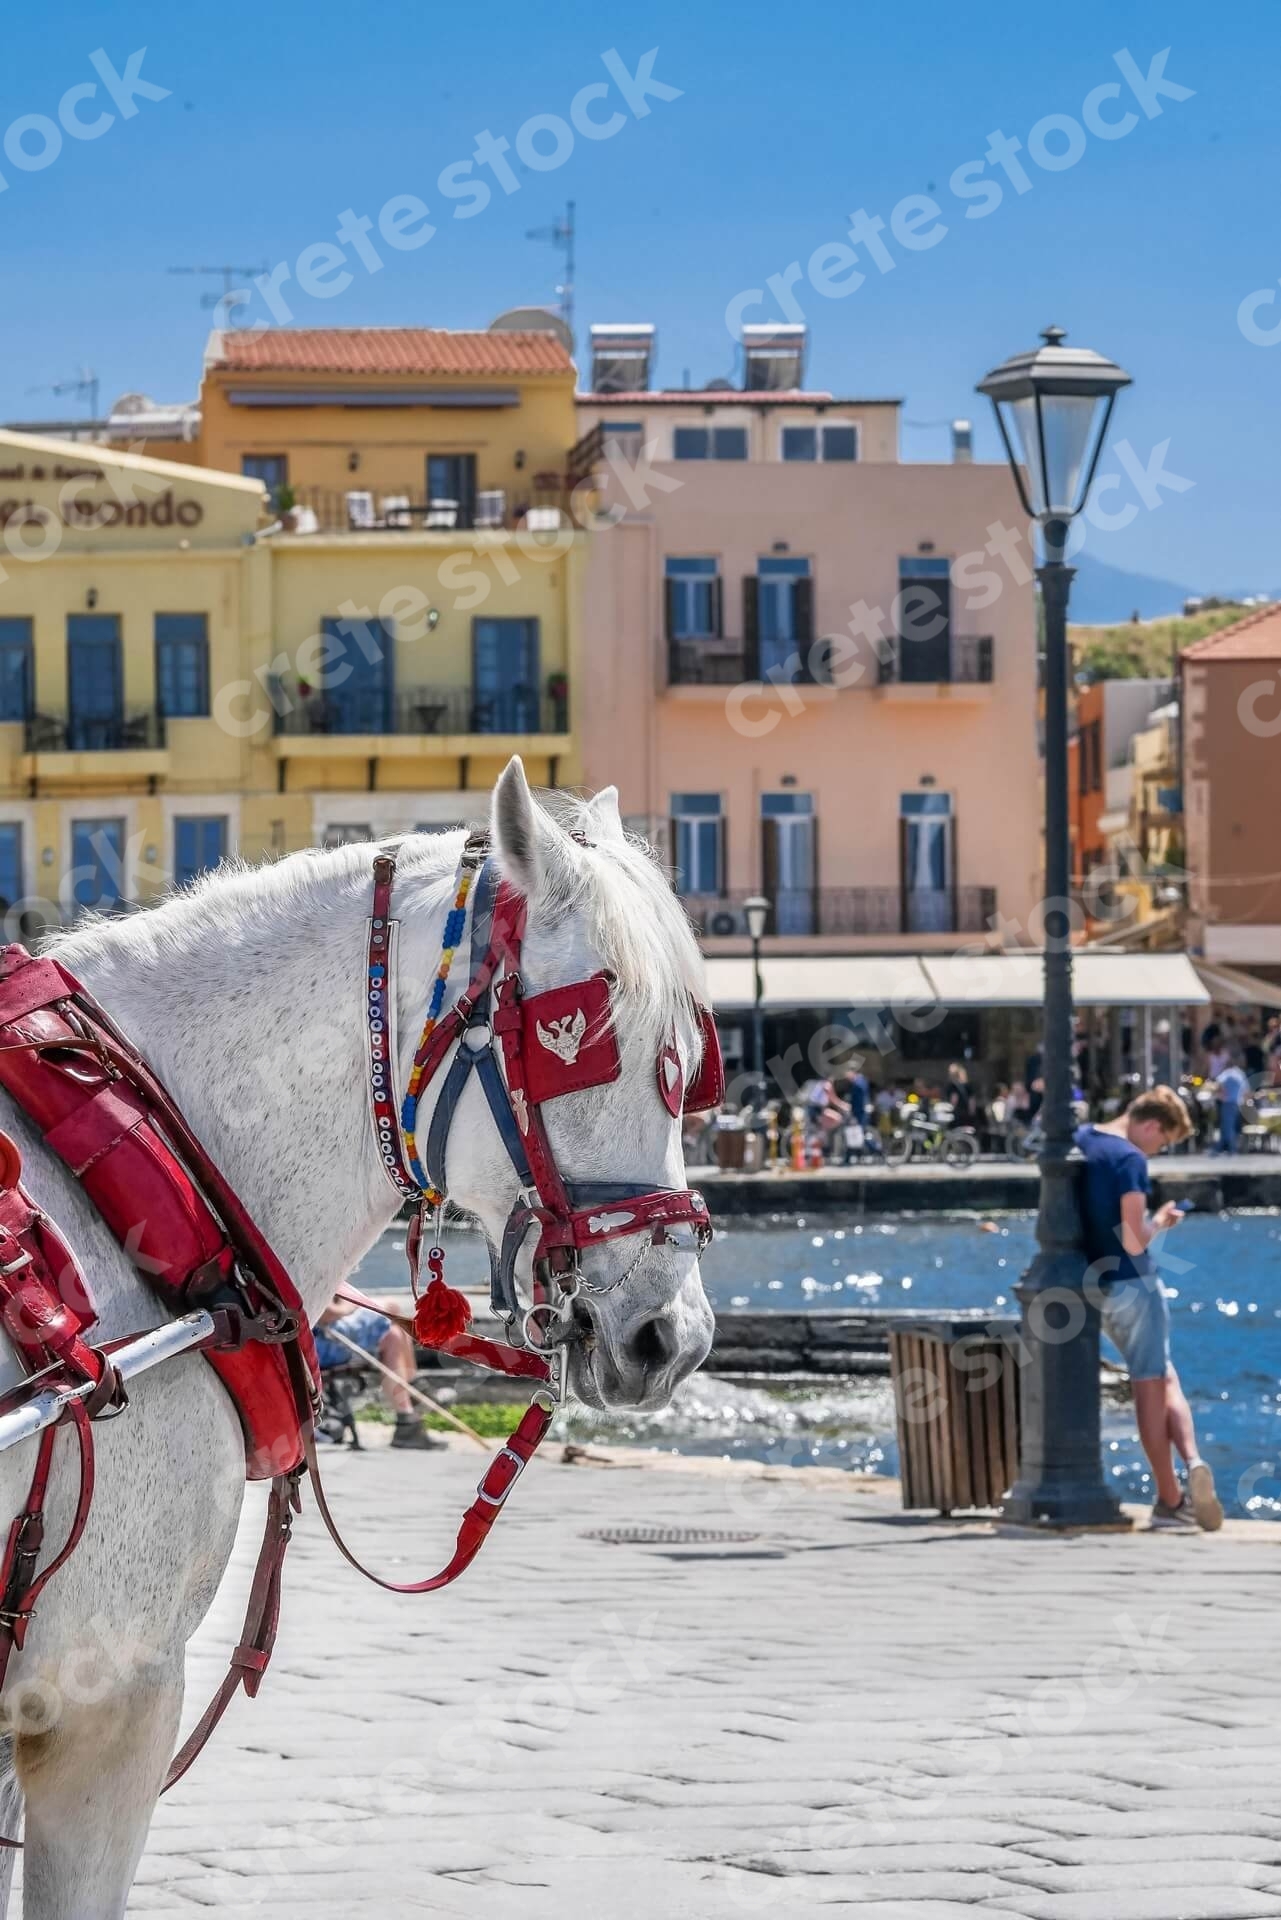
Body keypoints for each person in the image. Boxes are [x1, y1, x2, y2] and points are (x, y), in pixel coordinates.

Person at [1075, 1086, 1223, 1531]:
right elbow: (1133, 1239)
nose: (1157, 1150)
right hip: (1133, 1284)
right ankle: (1171, 1495)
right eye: (1163, 1142)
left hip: (1090, 1286)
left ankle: (1186, 1473)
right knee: (1151, 1386)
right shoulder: (1129, 1160)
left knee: (1163, 1375)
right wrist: (1160, 1221)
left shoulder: (1081, 1140)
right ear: (1151, 1125)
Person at [313, 1298, 445, 1450]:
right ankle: (412, 1391)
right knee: (392, 1308)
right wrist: (352, 1303)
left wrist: (349, 1302)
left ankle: (407, 1415)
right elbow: (328, 1313)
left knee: (393, 1335)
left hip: (328, 1335)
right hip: (319, 1341)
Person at [1213, 1055, 1250, 1154]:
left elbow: (1218, 1084)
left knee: (1227, 1126)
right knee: (1232, 1126)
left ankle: (1230, 1149)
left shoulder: (1227, 1073)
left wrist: (1221, 1095)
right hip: (1237, 1103)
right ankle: (1224, 1147)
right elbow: (1246, 1090)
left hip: (1227, 1103)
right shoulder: (1240, 1074)